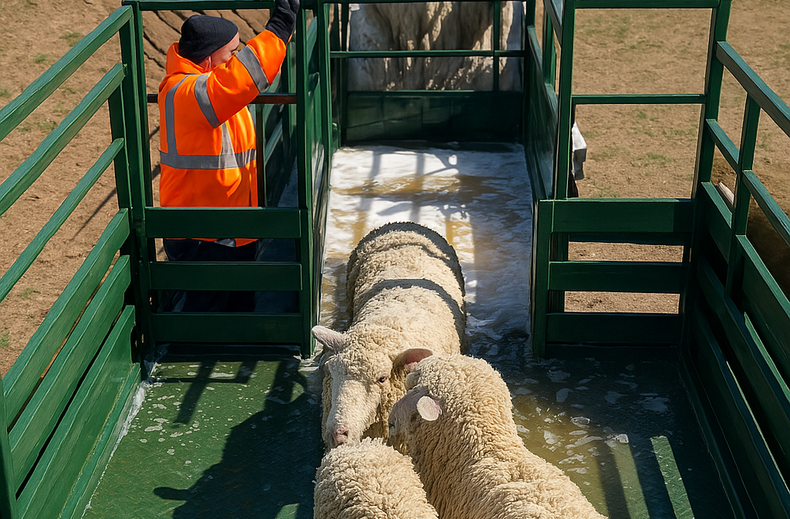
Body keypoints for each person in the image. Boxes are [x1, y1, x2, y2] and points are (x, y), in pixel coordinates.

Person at [157, 0, 299, 313]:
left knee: (233, 306)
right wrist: (278, 29)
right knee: (210, 318)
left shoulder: (202, 88)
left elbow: (240, 82)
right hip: (204, 233)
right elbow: (244, 76)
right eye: (231, 53)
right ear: (208, 60)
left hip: (221, 226)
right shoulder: (189, 92)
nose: (236, 58)